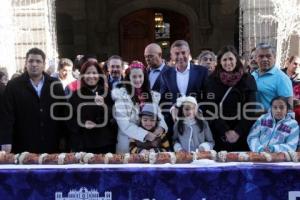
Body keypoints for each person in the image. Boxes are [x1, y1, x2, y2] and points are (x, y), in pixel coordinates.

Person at [0, 48, 66, 153]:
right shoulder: (13, 85)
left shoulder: (55, 84)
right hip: (23, 144)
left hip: (51, 143)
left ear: (44, 65)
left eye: (38, 61)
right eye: (31, 61)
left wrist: (64, 138)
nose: (34, 64)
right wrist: (5, 141)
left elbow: (62, 112)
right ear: (26, 63)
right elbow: (7, 115)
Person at [204, 45, 257, 151]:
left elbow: (251, 109)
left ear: (236, 60)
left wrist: (238, 131)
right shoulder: (211, 80)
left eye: (231, 59)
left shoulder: (248, 79)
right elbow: (209, 109)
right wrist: (225, 131)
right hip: (219, 134)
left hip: (242, 134)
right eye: (224, 59)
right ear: (219, 61)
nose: (228, 63)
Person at [112, 61, 168, 153]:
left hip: (150, 147)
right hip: (128, 144)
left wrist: (161, 128)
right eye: (134, 77)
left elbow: (160, 117)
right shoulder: (121, 96)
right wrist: (145, 134)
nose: (137, 79)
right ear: (128, 78)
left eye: (140, 76)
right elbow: (124, 125)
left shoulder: (152, 96)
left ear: (144, 77)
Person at [160, 40, 208, 143]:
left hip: (197, 123)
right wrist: (172, 109)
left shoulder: (202, 72)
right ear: (172, 56)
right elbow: (164, 98)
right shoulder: (166, 74)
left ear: (189, 53)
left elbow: (207, 96)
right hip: (175, 124)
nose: (180, 56)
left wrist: (196, 110)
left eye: (183, 53)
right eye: (177, 53)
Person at [68, 61, 116, 153]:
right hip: (84, 144)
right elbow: (70, 119)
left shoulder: (106, 93)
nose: (91, 76)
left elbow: (114, 115)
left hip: (105, 143)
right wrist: (83, 123)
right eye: (88, 73)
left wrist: (104, 105)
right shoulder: (76, 95)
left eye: (94, 73)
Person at [252, 43, 293, 111]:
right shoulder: (253, 75)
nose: (265, 59)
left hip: (271, 120)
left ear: (274, 57)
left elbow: (288, 108)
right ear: (256, 58)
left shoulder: (282, 78)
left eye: (268, 56)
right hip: (252, 119)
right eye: (261, 56)